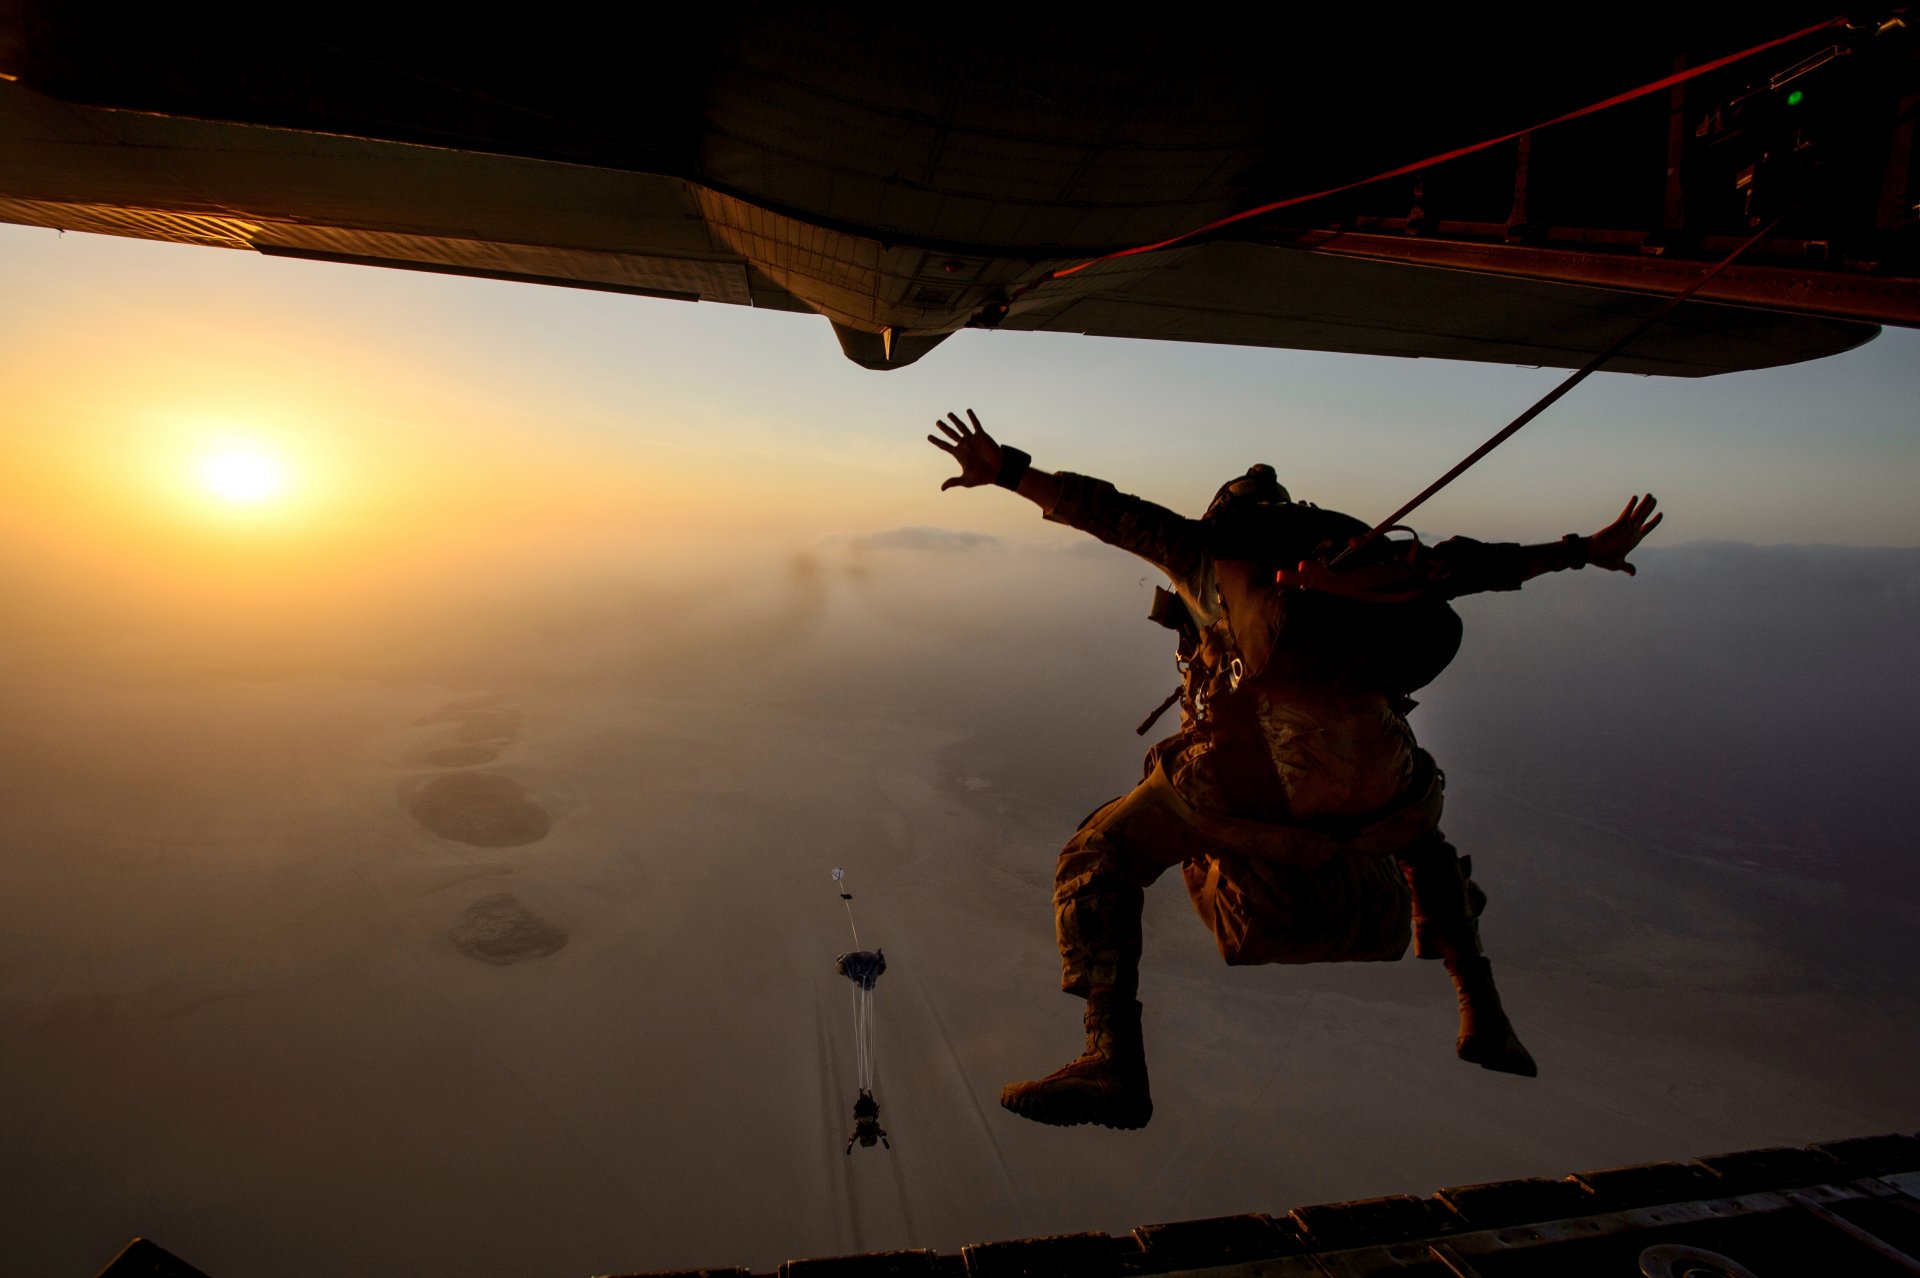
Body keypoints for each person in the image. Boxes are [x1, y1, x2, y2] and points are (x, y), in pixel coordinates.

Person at [927, 409, 1663, 1130]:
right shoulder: (1366, 557)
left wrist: (1007, 472)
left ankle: (1110, 1056)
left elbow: (1110, 511)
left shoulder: (1205, 550)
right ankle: (1482, 1011)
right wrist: (1578, 549)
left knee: (1099, 854)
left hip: (1253, 774)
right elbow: (1475, 565)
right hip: (1384, 774)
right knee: (1425, 842)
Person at [846, 1089, 890, 1153]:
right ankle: (882, 1136)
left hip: (863, 1123)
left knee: (855, 1135)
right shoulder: (870, 1103)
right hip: (870, 1121)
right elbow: (876, 1115)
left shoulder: (860, 1104)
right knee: (878, 1130)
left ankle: (851, 1142)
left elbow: (855, 1116)